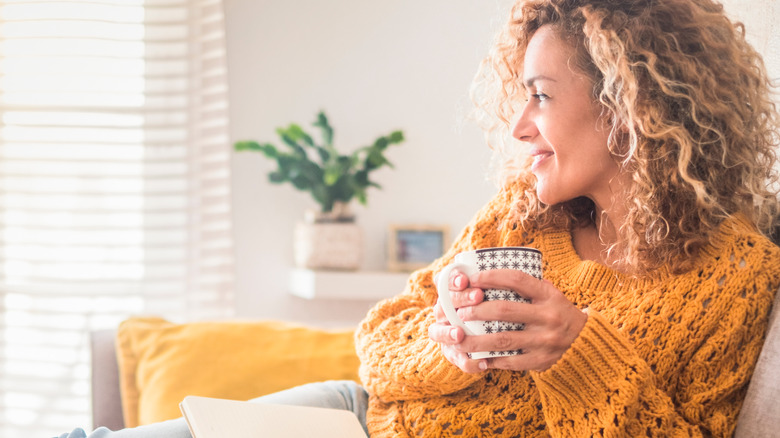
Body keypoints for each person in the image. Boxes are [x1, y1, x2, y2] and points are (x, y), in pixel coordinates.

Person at [57, 0, 780, 436]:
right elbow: (379, 342)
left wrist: (578, 354)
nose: (520, 125)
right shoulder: (525, 215)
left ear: (631, 106)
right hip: (353, 418)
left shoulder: (735, 275)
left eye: (541, 96)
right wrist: (449, 341)